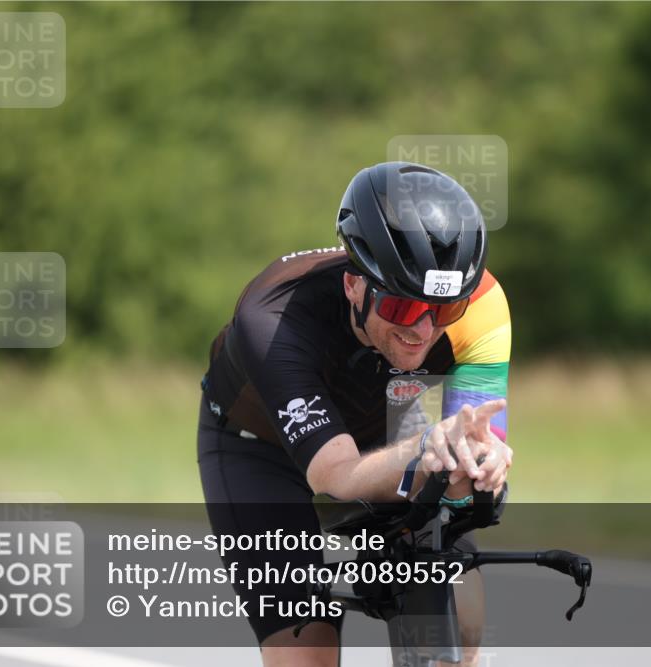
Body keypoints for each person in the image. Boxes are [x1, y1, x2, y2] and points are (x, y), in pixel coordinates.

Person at [198, 161, 513, 667]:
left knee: (462, 614)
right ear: (353, 285)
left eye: (445, 310)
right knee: (307, 652)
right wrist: (424, 451)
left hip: (384, 431)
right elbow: (334, 478)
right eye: (404, 309)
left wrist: (482, 465)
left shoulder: (484, 304)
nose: (423, 330)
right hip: (261, 450)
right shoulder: (272, 318)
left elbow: (471, 454)